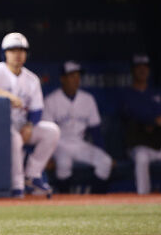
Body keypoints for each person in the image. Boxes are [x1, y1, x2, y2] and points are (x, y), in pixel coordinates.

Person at [0, 33, 60, 198]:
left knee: (52, 131)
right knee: (14, 139)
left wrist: (30, 126)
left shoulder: (31, 79)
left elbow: (37, 109)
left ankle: (33, 174)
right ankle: (18, 186)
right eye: (13, 50)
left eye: (21, 50)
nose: (17, 54)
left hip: (22, 124)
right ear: (5, 53)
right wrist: (6, 95)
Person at [43, 61, 113, 193]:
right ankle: (65, 203)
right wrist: (49, 157)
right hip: (59, 145)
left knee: (105, 161)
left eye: (78, 76)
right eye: (71, 76)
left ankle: (95, 202)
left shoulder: (88, 99)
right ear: (62, 79)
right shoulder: (51, 100)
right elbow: (47, 135)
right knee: (63, 164)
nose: (76, 80)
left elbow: (96, 131)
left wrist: (102, 151)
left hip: (80, 144)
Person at [120, 54, 161, 195]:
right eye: (138, 67)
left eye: (145, 67)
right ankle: (143, 196)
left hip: (159, 143)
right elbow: (134, 115)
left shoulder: (157, 92)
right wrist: (153, 120)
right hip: (139, 144)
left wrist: (154, 121)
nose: (142, 70)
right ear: (133, 70)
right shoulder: (127, 94)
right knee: (142, 158)